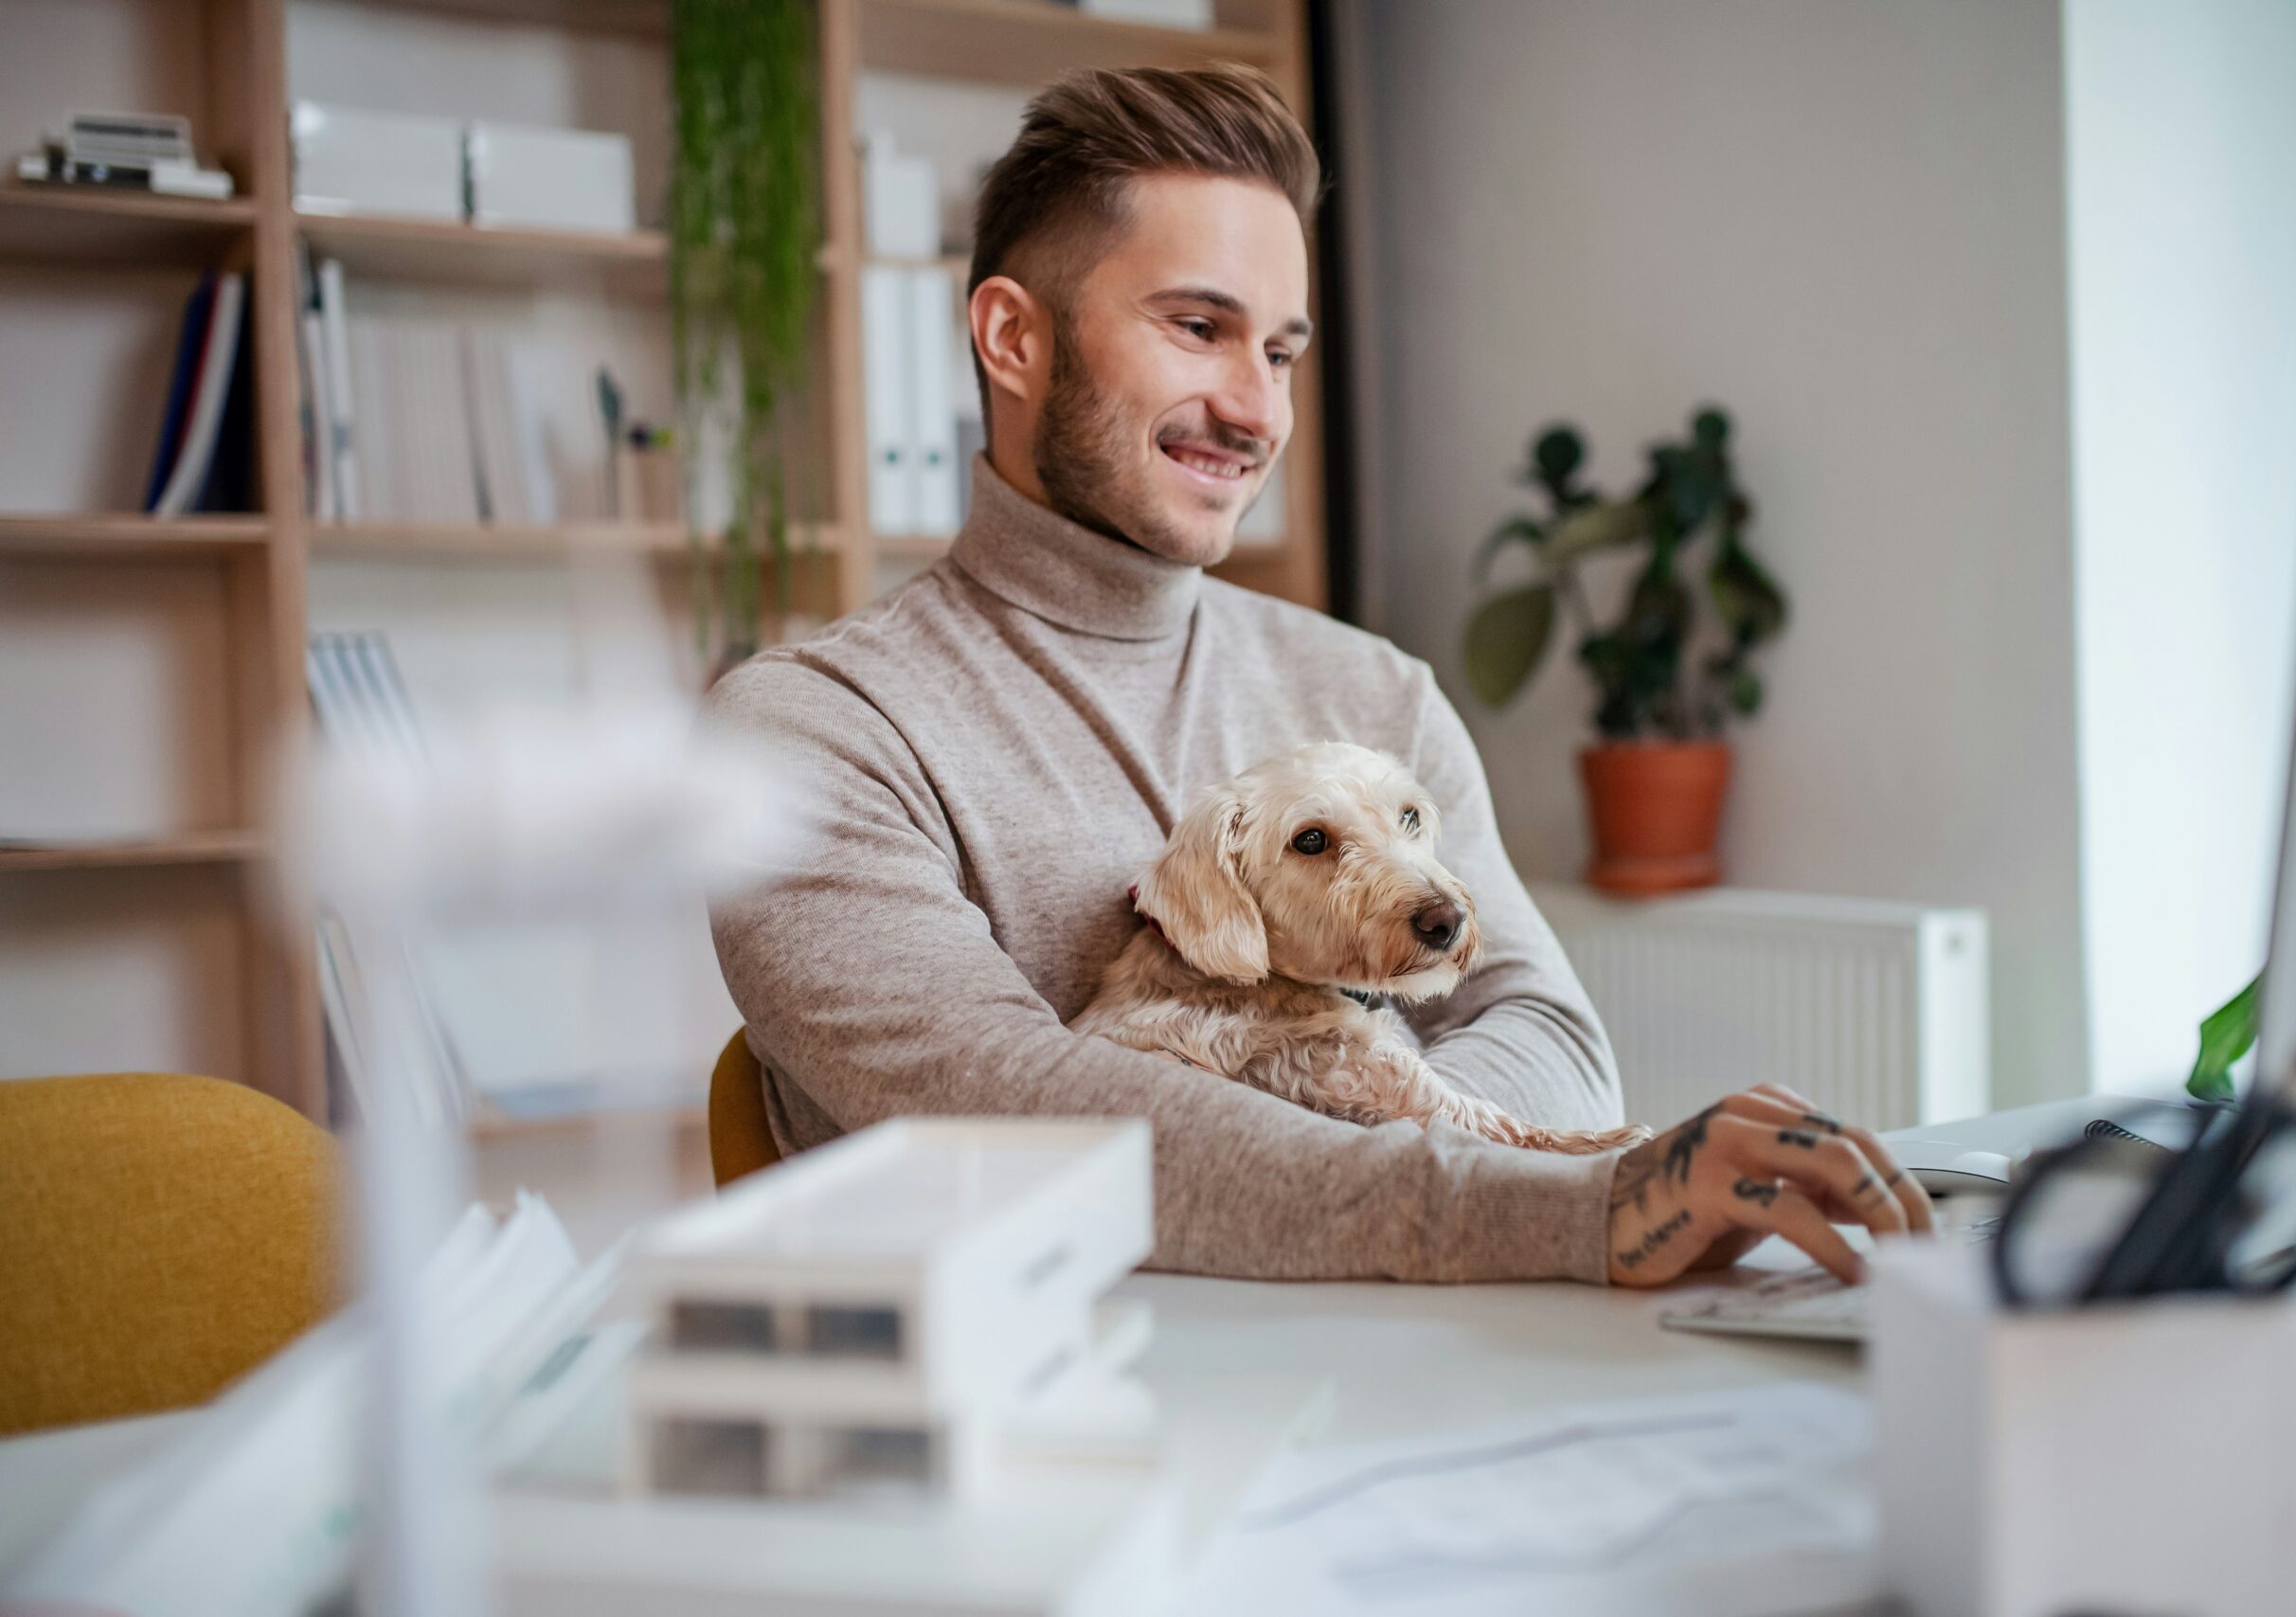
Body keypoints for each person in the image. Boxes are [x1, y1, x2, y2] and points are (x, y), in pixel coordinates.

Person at [705, 63, 1931, 1287]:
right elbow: (1026, 1123)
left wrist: (1364, 1166)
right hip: (1050, 1434)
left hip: (1410, 1367)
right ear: (1014, 337)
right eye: (1199, 328)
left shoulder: (1373, 695)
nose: (1256, 410)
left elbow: (1553, 1040)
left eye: (1282, 352)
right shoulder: (812, 737)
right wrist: (1545, 1204)